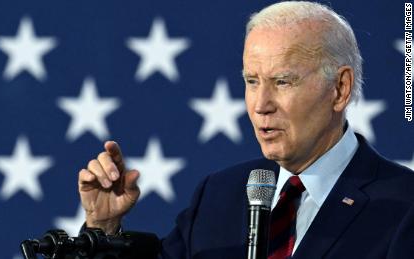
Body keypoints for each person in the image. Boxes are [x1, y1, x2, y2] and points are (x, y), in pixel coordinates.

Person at [78, 1, 414, 258]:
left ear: (339, 89)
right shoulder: (218, 196)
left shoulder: (404, 206)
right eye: (252, 81)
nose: (260, 104)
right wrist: (103, 228)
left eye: (283, 81)